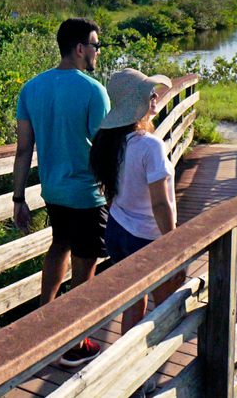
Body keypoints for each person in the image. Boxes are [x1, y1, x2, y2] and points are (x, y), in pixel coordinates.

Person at [12, 17, 110, 368]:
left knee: (59, 247)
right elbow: (105, 149)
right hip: (86, 194)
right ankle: (73, 342)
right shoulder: (92, 90)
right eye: (96, 46)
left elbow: (24, 150)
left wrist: (18, 198)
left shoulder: (32, 88)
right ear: (80, 48)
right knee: (85, 270)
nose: (98, 52)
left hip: (53, 191)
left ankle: (43, 321)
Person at [89, 68, 185, 338]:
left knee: (134, 304)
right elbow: (161, 205)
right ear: (137, 102)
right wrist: (174, 244)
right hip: (146, 237)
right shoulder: (149, 146)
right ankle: (151, 370)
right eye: (149, 93)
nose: (155, 96)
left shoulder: (111, 143)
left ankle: (127, 368)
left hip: (117, 231)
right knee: (165, 307)